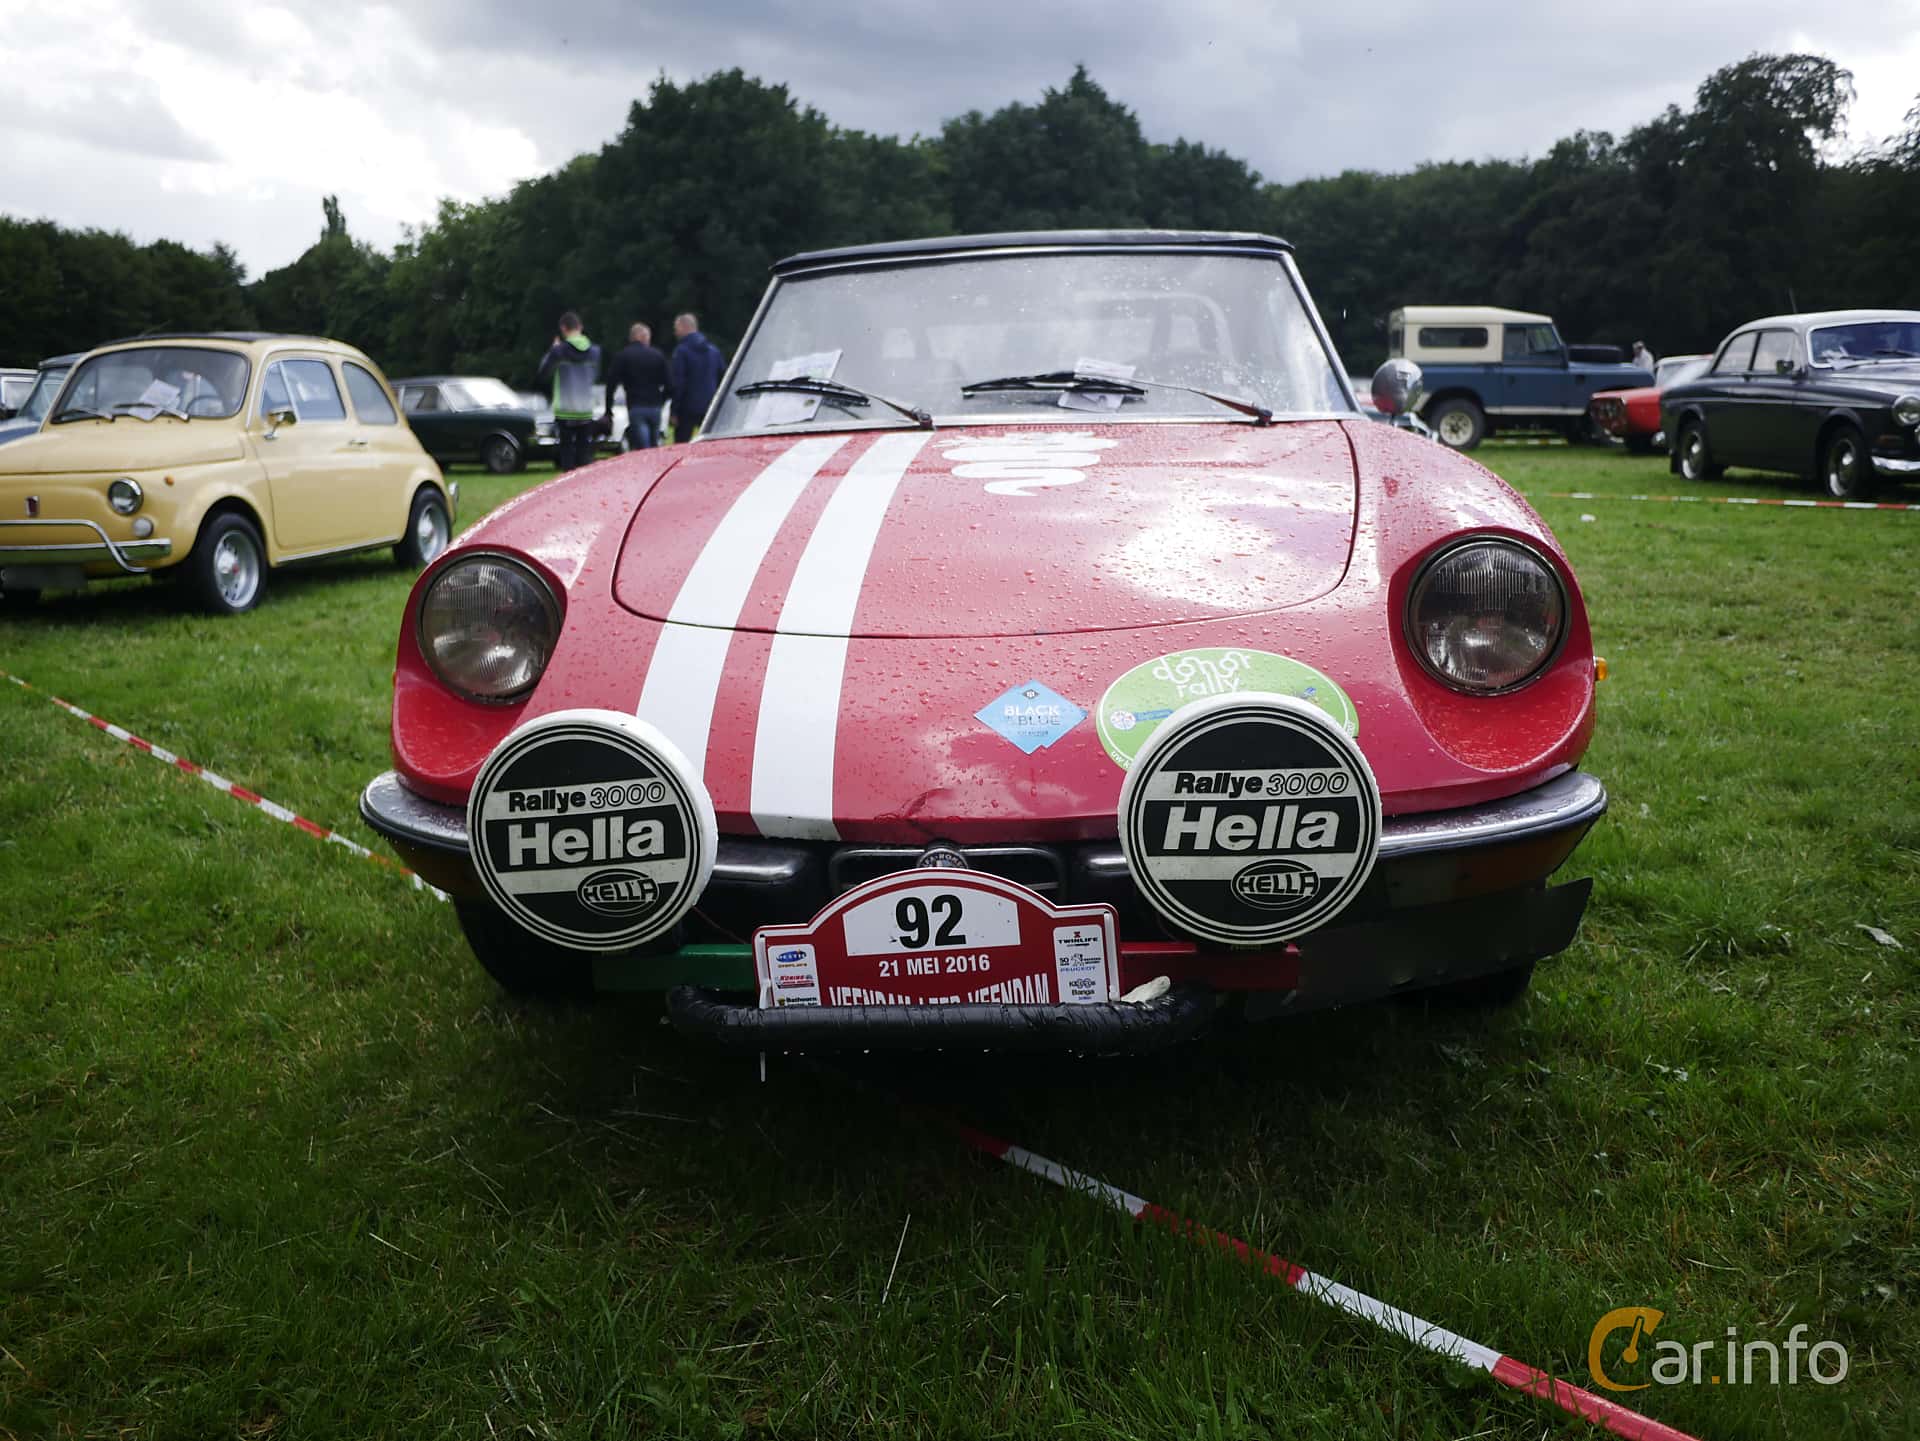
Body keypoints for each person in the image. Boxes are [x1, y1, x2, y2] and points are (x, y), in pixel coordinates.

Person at [536, 311, 602, 470]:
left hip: (564, 409)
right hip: (585, 408)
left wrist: (552, 350)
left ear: (563, 328)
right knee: (584, 452)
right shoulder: (595, 352)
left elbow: (543, 373)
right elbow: (596, 375)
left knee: (566, 452)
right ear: (580, 327)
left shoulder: (559, 351)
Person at [603, 321, 669, 450]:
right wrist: (662, 400)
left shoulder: (623, 356)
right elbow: (670, 384)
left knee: (642, 447)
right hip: (655, 406)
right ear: (645, 337)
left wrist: (608, 409)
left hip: (636, 405)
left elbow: (611, 385)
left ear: (632, 337)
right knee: (654, 445)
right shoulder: (658, 355)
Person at [668, 312, 726, 444]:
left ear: (684, 327)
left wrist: (674, 410)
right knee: (711, 445)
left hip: (686, 407)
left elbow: (679, 383)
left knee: (681, 446)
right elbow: (723, 377)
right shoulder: (713, 351)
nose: (675, 332)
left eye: (676, 328)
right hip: (709, 406)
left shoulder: (681, 351)